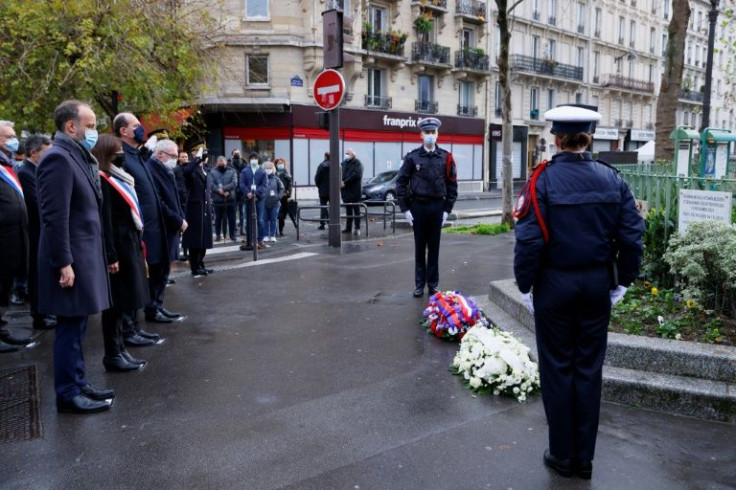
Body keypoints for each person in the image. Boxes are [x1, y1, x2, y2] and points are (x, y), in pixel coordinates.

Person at [513, 105, 644, 479]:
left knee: (557, 369)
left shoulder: (541, 180)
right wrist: (622, 281)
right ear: (589, 138)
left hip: (554, 286)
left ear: (556, 138)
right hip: (595, 287)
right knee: (588, 370)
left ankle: (561, 453)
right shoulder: (612, 179)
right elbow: (633, 236)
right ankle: (583, 459)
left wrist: (525, 286)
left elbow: (528, 243)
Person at [36, 100, 114, 413]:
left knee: (78, 326)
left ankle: (78, 382)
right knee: (69, 328)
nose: (94, 132)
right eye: (91, 125)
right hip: (70, 260)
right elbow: (54, 217)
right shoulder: (58, 158)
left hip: (83, 256)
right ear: (72, 126)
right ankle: (68, 393)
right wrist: (63, 262)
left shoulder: (75, 156)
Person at [92, 134, 148, 372]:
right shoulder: (104, 179)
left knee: (126, 299)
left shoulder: (118, 176)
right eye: (117, 152)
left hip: (129, 242)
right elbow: (106, 221)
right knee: (116, 302)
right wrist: (111, 254)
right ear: (108, 154)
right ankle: (113, 353)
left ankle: (120, 349)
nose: (122, 155)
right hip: (118, 247)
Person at [113, 112, 173, 329]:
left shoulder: (136, 155)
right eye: (136, 125)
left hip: (153, 225)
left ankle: (148, 313)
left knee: (155, 271)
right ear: (124, 131)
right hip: (138, 228)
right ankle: (130, 328)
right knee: (134, 280)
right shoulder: (121, 157)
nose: (141, 129)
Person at [396, 117, 457, 298]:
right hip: (418, 206)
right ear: (421, 135)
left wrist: (447, 209)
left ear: (437, 134)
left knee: (434, 248)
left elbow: (452, 185)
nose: (430, 135)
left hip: (437, 206)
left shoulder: (446, 157)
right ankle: (419, 284)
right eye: (427, 133)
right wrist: (405, 208)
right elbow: (401, 182)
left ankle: (433, 284)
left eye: (433, 132)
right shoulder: (412, 157)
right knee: (419, 247)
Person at [0, 120, 36, 351]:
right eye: (8, 137)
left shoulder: (8, 165)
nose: (15, 140)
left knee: (5, 288)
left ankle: (2, 331)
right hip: (3, 237)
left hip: (14, 238)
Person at [17, 134, 57, 331]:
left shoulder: (39, 170)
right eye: (46, 152)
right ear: (33, 153)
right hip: (35, 231)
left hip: (43, 230)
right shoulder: (26, 172)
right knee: (36, 274)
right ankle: (39, 316)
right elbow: (36, 201)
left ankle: (46, 311)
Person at [147, 138, 188, 294]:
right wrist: (178, 220)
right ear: (160, 154)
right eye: (172, 156)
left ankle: (158, 305)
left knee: (164, 271)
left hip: (171, 226)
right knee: (158, 272)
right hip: (162, 227)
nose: (175, 160)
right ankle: (154, 307)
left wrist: (181, 218)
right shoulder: (152, 170)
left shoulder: (165, 170)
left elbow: (174, 199)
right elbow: (159, 202)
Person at [181, 143, 214, 276]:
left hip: (205, 208)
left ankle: (201, 263)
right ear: (194, 154)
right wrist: (197, 159)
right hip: (195, 210)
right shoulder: (190, 168)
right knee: (195, 240)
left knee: (204, 239)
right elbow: (187, 172)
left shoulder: (204, 169)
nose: (205, 155)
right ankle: (195, 267)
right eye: (202, 152)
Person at [239, 152, 267, 250]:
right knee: (249, 220)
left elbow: (264, 185)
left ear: (258, 160)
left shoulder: (263, 171)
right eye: (252, 158)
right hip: (248, 198)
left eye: (255, 158)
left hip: (259, 198)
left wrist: (256, 194)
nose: (254, 159)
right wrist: (248, 193)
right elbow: (242, 183)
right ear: (249, 159)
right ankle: (250, 240)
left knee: (259, 219)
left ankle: (260, 239)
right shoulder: (244, 171)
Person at [208, 156, 238, 242]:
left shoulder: (232, 171)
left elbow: (234, 183)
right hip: (218, 199)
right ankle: (218, 235)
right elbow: (211, 184)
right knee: (218, 218)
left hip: (230, 198)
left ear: (226, 162)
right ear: (217, 163)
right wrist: (219, 190)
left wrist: (224, 189)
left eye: (223, 162)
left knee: (232, 218)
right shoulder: (212, 172)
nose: (221, 164)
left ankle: (232, 235)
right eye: (220, 162)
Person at [340, 148, 363, 235]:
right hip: (346, 191)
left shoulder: (357, 163)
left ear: (353, 154)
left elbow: (356, 175)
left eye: (348, 153)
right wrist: (340, 182)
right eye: (346, 153)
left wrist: (345, 182)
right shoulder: (344, 163)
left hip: (354, 191)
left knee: (356, 210)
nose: (346, 155)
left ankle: (357, 228)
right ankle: (348, 228)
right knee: (348, 211)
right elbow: (339, 173)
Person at [262, 161, 284, 242]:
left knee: (273, 220)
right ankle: (265, 235)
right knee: (265, 220)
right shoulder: (262, 179)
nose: (268, 170)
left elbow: (282, 188)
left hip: (275, 203)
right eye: (266, 168)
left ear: (273, 169)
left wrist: (278, 197)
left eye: (270, 168)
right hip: (264, 203)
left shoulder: (277, 179)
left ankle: (272, 235)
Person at [275, 158, 297, 236]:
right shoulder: (274, 173)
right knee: (275, 215)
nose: (280, 165)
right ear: (276, 164)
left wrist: (288, 194)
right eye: (278, 163)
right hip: (275, 197)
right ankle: (275, 230)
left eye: (281, 163)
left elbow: (290, 185)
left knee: (282, 216)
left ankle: (281, 230)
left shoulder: (286, 174)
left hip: (284, 197)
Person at [314, 152, 330, 230]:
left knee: (323, 206)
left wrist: (319, 186)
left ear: (325, 157)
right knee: (333, 207)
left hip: (323, 189)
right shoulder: (336, 165)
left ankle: (322, 224)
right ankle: (331, 222)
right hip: (333, 191)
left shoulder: (321, 166)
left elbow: (317, 178)